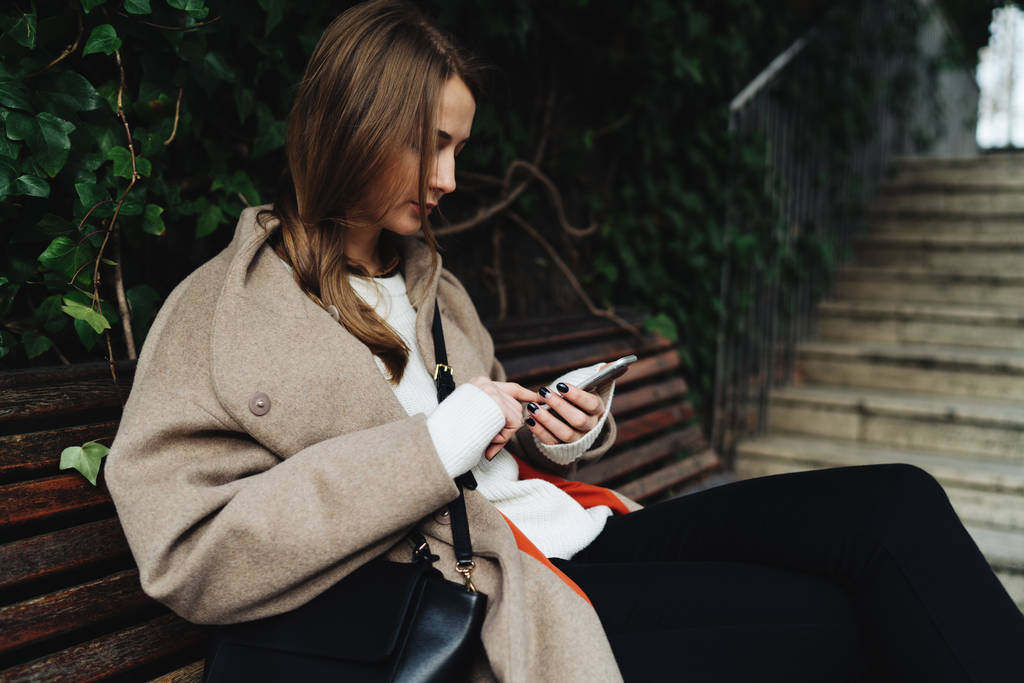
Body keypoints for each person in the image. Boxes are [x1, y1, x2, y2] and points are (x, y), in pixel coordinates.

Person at [105, 2, 1024, 681]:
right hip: (496, 596)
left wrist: (554, 429)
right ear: (356, 124)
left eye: (459, 149)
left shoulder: (436, 289)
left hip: (572, 530)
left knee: (891, 506)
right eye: (433, 145)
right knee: (833, 620)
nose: (451, 179)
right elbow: (192, 557)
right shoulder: (224, 312)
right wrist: (436, 444)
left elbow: (489, 429)